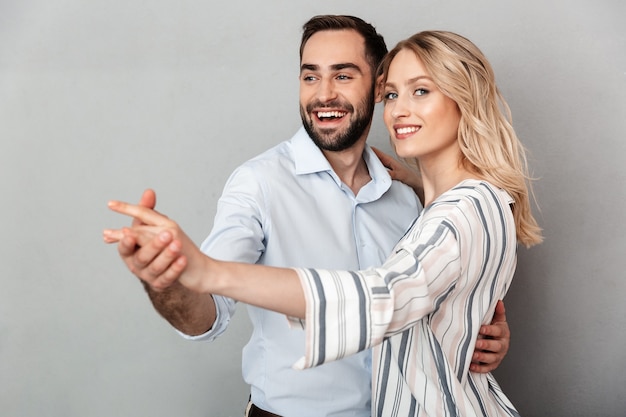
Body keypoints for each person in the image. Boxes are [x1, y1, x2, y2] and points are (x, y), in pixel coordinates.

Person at [104, 17, 512, 417]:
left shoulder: (409, 198)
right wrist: (168, 279)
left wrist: (472, 331)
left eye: (344, 76)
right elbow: (204, 315)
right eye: (310, 77)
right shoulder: (259, 184)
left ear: (375, 88)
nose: (324, 94)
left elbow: (400, 299)